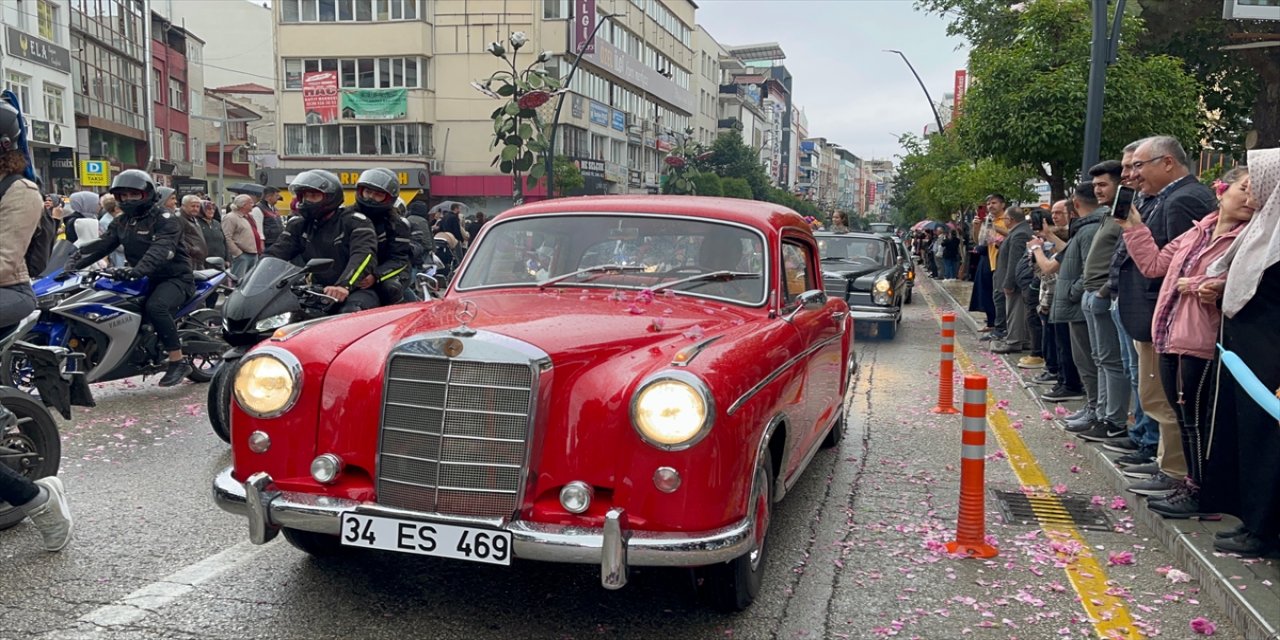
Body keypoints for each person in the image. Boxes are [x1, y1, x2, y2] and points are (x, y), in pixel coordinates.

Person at [1117, 166, 1254, 520]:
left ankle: (1200, 493)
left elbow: (1243, 281)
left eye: (1257, 191)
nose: (1251, 198)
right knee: (1183, 417)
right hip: (1170, 334)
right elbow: (1154, 265)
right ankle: (1193, 485)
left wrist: (1202, 285)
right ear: (1221, 190)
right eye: (1244, 188)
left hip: (1203, 339)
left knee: (1196, 421)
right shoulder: (1197, 231)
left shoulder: (1250, 237)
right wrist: (1133, 226)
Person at [1114, 136, 1217, 499]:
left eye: (1138, 166)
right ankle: (1165, 463)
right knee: (1155, 395)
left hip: (1171, 321)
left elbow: (1175, 269)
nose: (1132, 175)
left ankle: (1174, 470)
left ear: (1168, 162)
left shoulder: (1185, 199)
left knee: (1168, 398)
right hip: (1156, 316)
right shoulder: (1162, 198)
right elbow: (1158, 261)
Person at [1204, 148, 1280, 556]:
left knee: (1267, 441)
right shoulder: (1263, 228)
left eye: (1255, 185)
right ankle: (1252, 520)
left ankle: (1264, 530)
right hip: (1249, 352)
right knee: (1248, 436)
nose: (1249, 194)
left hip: (1270, 358)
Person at [72, 170, 195, 387]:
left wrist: (136, 271)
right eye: (123, 195)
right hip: (143, 276)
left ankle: (177, 360)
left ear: (148, 194)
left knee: (156, 307)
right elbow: (103, 245)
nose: (128, 199)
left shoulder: (166, 220)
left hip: (175, 277)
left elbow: (160, 250)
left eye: (134, 194)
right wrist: (73, 262)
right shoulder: (122, 222)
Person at [265, 169, 378, 313]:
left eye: (313, 196)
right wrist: (250, 279)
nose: (307, 201)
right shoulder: (299, 224)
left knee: (350, 311)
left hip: (355, 289)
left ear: (330, 197)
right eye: (304, 196)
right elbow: (277, 252)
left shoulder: (355, 222)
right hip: (317, 289)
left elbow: (363, 255)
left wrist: (344, 285)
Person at [348, 168, 413, 308]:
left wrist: (375, 276)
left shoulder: (398, 225)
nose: (371, 197)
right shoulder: (344, 216)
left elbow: (399, 259)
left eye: (378, 194)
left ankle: (399, 314)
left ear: (389, 197)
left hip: (384, 270)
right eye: (368, 192)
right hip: (351, 271)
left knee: (390, 288)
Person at [992, 208, 1032, 354]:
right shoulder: (1019, 231)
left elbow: (1014, 261)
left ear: (1011, 219)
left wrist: (1009, 283)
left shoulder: (1019, 234)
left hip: (1015, 281)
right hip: (1016, 279)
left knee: (1015, 311)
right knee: (1020, 312)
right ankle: (1025, 340)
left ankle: (1014, 341)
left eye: (1005, 219)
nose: (1004, 221)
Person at [223, 194, 262, 278]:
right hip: (242, 255)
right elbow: (227, 237)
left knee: (250, 281)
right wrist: (238, 253)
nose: (253, 205)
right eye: (250, 203)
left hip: (253, 254)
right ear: (243, 205)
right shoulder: (231, 217)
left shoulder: (248, 217)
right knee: (238, 280)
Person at [178, 195, 209, 270]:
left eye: (198, 206)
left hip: (198, 261)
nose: (195, 209)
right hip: (188, 261)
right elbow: (178, 240)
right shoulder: (179, 219)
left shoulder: (193, 218)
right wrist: (193, 250)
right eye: (192, 206)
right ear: (183, 206)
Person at [196, 199, 229, 265]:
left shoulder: (217, 223)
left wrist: (227, 259)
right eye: (208, 209)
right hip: (204, 262)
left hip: (220, 261)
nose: (212, 211)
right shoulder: (196, 224)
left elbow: (224, 242)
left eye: (213, 209)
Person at [98, 193, 126, 267]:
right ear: (116, 209)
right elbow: (117, 244)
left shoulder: (118, 218)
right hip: (118, 257)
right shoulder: (106, 222)